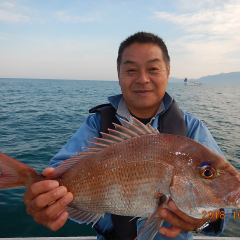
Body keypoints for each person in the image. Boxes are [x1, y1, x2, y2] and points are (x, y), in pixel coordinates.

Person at [23, 32, 231, 239]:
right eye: (131, 70)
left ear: (168, 72)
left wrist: (207, 218)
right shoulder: (97, 124)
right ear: (119, 74)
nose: (142, 79)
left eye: (153, 69)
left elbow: (226, 206)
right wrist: (46, 200)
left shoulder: (192, 128)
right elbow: (55, 177)